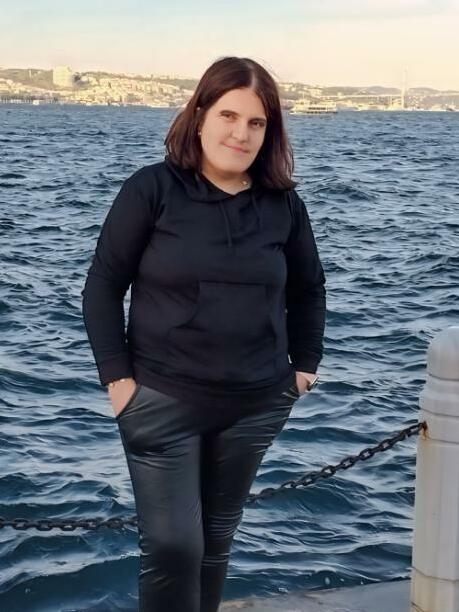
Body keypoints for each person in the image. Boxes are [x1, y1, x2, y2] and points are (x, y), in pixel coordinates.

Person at [81, 55, 326, 612]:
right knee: (174, 546)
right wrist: (119, 383)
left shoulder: (284, 205)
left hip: (255, 402)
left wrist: (303, 370)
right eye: (228, 116)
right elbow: (102, 286)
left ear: (269, 133)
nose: (241, 133)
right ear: (199, 117)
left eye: (256, 123)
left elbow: (310, 288)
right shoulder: (153, 189)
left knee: (215, 542)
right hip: (161, 400)